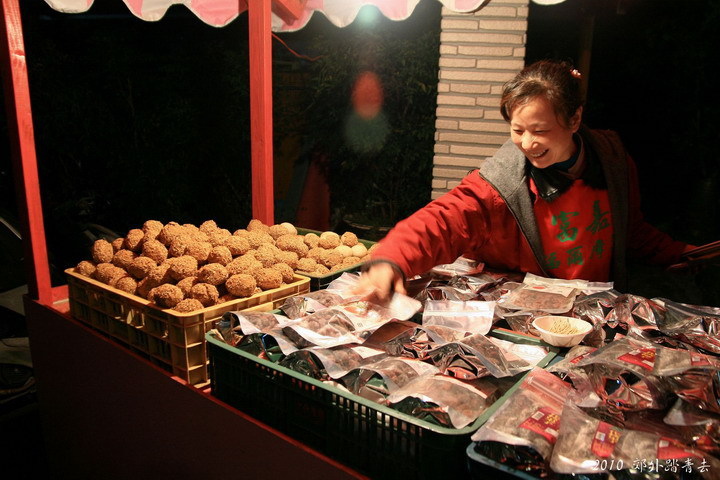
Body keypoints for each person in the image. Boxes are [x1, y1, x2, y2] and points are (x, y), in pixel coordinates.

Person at [359, 59, 695, 303]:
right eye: (518, 130)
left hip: (596, 312)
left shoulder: (613, 162)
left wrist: (679, 253)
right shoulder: (502, 183)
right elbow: (444, 219)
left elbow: (628, 230)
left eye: (540, 130)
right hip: (531, 318)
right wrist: (392, 259)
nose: (528, 143)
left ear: (575, 119)